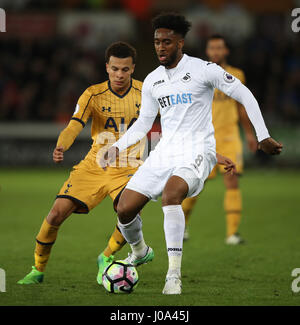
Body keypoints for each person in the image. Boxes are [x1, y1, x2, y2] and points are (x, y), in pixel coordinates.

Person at [100, 12, 282, 295]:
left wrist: (263, 136)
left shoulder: (203, 69)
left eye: (167, 42)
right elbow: (145, 124)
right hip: (165, 151)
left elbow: (243, 93)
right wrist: (116, 147)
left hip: (198, 150)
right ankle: (140, 251)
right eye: (157, 42)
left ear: (180, 43)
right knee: (123, 207)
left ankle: (173, 275)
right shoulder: (152, 80)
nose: (160, 47)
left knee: (172, 196)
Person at [17, 41, 149, 285]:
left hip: (130, 165)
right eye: (115, 69)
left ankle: (106, 257)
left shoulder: (147, 92)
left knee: (128, 210)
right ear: (107, 68)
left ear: (133, 69)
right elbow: (75, 124)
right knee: (56, 214)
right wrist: (61, 145)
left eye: (125, 69)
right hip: (95, 165)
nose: (119, 74)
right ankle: (37, 269)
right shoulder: (93, 94)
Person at [182, 34, 258, 244]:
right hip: (205, 137)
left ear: (226, 51)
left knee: (232, 181)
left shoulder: (237, 75)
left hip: (230, 136)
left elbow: (241, 107)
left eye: (219, 48)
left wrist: (250, 134)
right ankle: (183, 226)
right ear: (207, 51)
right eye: (212, 48)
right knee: (195, 183)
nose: (216, 52)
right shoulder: (198, 74)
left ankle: (232, 233)